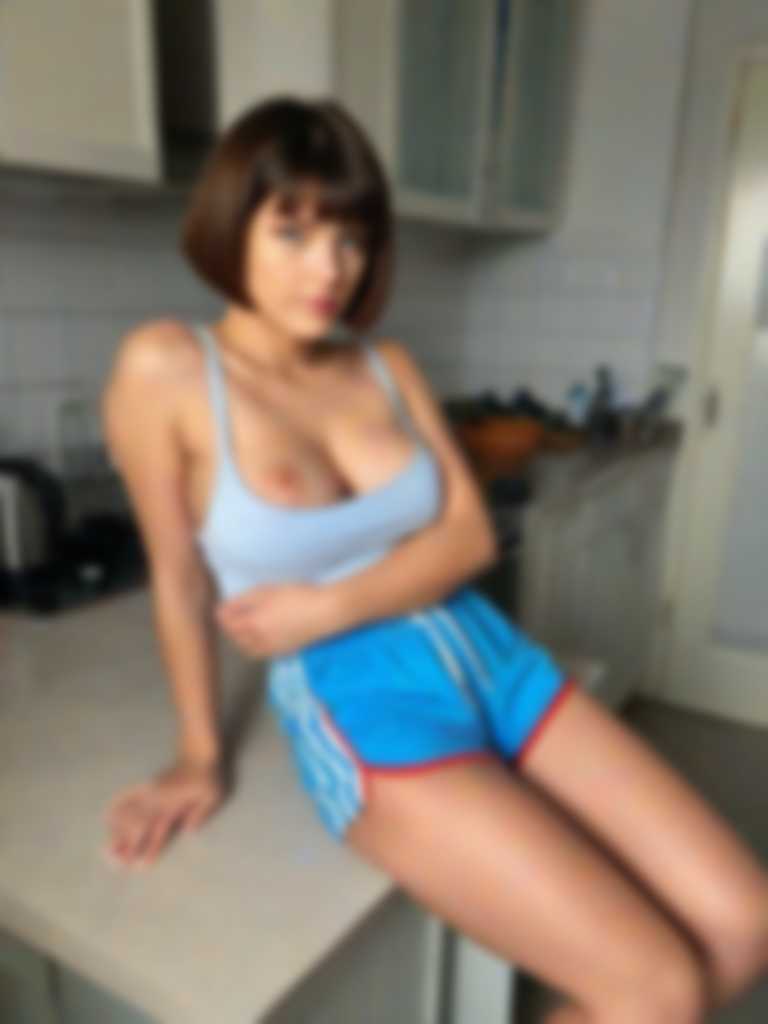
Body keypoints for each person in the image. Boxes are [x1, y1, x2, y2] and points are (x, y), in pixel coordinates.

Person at [100, 95, 768, 1023]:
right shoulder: (167, 367)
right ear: (230, 222)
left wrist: (327, 604)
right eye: (293, 231)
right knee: (662, 990)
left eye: (350, 238)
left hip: (488, 653)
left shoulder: (388, 367)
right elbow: (177, 576)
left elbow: (471, 538)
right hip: (363, 697)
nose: (329, 268)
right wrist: (199, 754)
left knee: (747, 924)